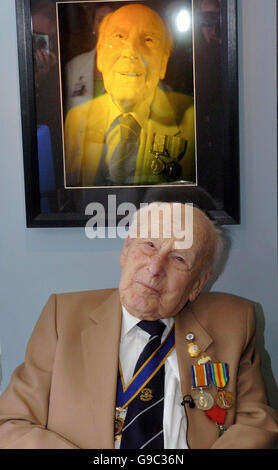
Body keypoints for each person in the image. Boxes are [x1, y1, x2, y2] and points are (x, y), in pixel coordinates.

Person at [0, 202, 277, 449]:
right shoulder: (63, 317)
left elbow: (256, 423)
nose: (155, 267)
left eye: (179, 258)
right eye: (150, 245)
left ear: (197, 284)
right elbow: (11, 423)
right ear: (126, 249)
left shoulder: (234, 322)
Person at [64, 4, 195, 187]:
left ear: (163, 62)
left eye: (148, 40)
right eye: (119, 37)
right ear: (100, 55)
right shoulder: (75, 120)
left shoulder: (193, 121)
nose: (132, 51)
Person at [65, 5, 113, 113]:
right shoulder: (74, 66)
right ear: (93, 27)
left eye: (111, 19)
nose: (106, 25)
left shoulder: (136, 66)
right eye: (100, 19)